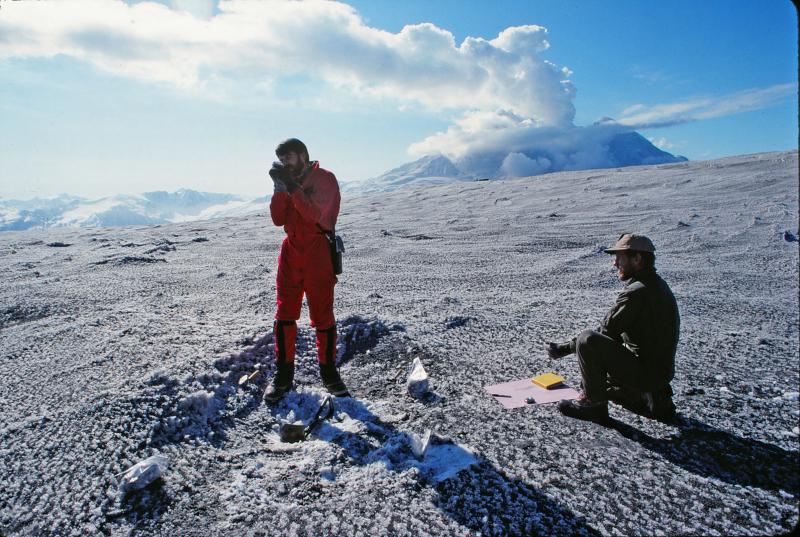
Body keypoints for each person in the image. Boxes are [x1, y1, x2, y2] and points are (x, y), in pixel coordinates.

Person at [547, 233, 680, 423]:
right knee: (600, 375)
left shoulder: (637, 293)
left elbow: (605, 332)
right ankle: (650, 398)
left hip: (648, 374)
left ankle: (595, 407)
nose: (615, 264)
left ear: (637, 258)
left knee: (587, 340)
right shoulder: (657, 285)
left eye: (620, 258)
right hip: (661, 374)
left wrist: (563, 349)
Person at [264, 138, 349, 403]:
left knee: (322, 315)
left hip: (318, 251)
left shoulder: (325, 179)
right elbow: (279, 220)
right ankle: (283, 376)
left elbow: (317, 217)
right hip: (291, 252)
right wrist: (280, 189)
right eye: (281, 159)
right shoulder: (288, 182)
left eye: (288, 157)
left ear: (302, 155)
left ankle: (330, 374)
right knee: (284, 314)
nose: (284, 162)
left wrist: (292, 189)